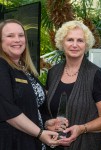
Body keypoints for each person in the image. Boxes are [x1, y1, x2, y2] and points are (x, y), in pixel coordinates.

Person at [45, 20, 101, 150]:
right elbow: (45, 108)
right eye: (70, 40)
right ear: (61, 43)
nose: (75, 45)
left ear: (86, 44)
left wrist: (82, 128)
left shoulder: (97, 75)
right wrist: (48, 123)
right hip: (53, 145)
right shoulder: (53, 72)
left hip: (86, 145)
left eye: (80, 40)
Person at [0, 19, 59, 150]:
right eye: (10, 36)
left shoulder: (25, 69)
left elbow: (33, 107)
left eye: (21, 35)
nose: (17, 40)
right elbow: (7, 110)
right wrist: (40, 133)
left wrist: (46, 122)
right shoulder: (2, 66)